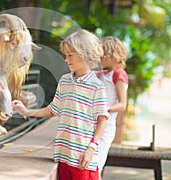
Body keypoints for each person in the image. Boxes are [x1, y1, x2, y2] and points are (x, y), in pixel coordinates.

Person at [13, 29, 109, 180]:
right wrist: (26, 111)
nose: (66, 59)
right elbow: (52, 109)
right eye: (65, 55)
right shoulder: (64, 81)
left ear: (84, 54)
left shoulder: (97, 87)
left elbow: (102, 120)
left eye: (70, 55)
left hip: (82, 160)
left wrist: (91, 148)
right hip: (63, 156)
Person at [96, 36, 129, 179]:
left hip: (107, 125)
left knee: (97, 164)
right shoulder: (104, 73)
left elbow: (122, 104)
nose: (100, 59)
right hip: (96, 123)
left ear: (112, 55)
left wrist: (105, 110)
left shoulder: (118, 74)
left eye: (102, 56)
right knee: (90, 164)